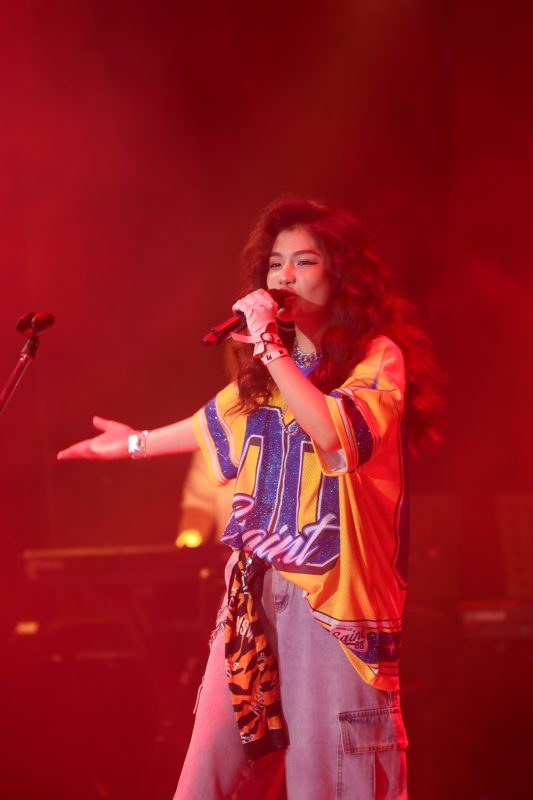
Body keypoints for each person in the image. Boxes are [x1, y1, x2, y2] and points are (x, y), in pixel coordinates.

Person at [57, 198, 443, 800]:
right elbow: (209, 423)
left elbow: (332, 431)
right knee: (209, 782)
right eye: (275, 263)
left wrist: (268, 344)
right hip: (252, 603)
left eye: (304, 262)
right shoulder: (268, 373)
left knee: (332, 783)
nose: (284, 276)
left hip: (333, 610)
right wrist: (131, 443)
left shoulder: (376, 357)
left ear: (341, 274)